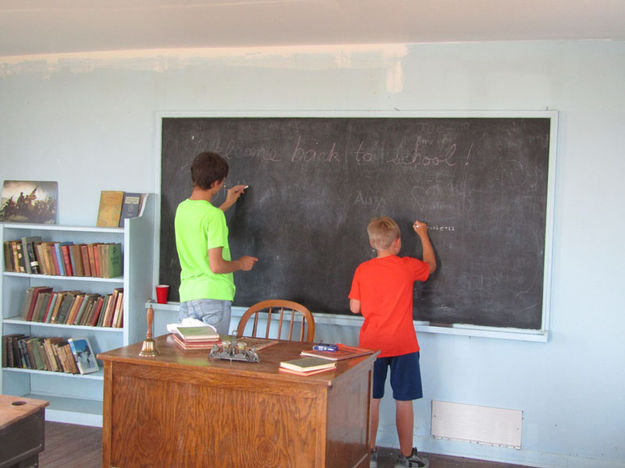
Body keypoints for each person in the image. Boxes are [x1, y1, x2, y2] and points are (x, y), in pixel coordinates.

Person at [349, 216, 436, 468]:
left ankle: (370, 453)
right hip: (403, 344)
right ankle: (407, 457)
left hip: (371, 347)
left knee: (371, 400)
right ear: (397, 243)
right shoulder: (407, 266)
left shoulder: (362, 270)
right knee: (404, 401)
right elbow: (430, 265)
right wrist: (422, 234)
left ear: (372, 242)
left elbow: (355, 307)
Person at [175, 151, 258, 335]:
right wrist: (241, 264)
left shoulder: (182, 209)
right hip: (213, 296)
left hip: (188, 296)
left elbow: (202, 223)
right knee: (212, 358)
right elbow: (216, 266)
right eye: (222, 182)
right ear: (215, 183)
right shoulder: (214, 217)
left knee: (189, 359)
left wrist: (227, 204)